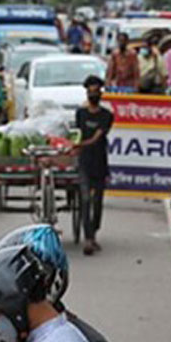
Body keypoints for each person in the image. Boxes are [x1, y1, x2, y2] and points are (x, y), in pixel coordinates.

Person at [73, 75, 113, 256]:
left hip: (99, 161)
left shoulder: (107, 116)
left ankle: (94, 232)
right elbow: (77, 133)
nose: (93, 94)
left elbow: (97, 137)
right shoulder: (80, 113)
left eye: (96, 91)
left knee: (97, 201)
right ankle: (88, 238)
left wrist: (81, 144)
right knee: (85, 199)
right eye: (90, 91)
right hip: (84, 162)